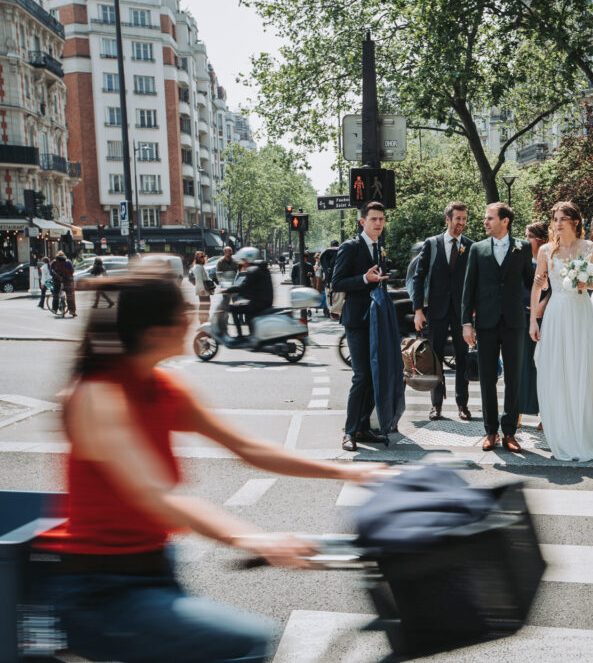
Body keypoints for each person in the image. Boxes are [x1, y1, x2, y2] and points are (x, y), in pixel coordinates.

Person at [32, 268, 387, 663]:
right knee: (246, 640)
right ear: (153, 331)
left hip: (152, 570)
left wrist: (350, 472)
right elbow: (156, 496)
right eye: (182, 311)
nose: (192, 319)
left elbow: (248, 448)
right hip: (100, 591)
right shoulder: (96, 397)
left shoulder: (162, 388)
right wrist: (253, 538)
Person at [529, 202, 593, 462]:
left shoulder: (588, 248)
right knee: (557, 371)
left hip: (580, 313)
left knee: (582, 370)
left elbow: (587, 285)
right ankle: (564, 432)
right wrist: (533, 320)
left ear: (576, 222)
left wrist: (584, 281)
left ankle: (584, 431)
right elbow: (537, 288)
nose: (559, 223)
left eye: (564, 218)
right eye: (555, 219)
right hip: (556, 315)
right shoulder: (545, 251)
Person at [462, 202, 535, 453]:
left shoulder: (523, 248)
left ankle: (510, 432)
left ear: (505, 221)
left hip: (515, 321)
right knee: (487, 379)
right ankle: (490, 431)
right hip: (486, 322)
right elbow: (468, 288)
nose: (485, 222)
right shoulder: (477, 249)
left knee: (514, 377)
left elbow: (531, 283)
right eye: (486, 218)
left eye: (490, 218)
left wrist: (541, 302)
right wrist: (466, 323)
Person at [332, 202, 391, 452]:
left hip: (377, 320)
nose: (378, 223)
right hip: (356, 321)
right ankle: (349, 431)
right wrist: (364, 279)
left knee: (374, 376)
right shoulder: (350, 247)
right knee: (361, 375)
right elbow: (336, 282)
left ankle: (363, 427)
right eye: (373, 219)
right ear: (362, 222)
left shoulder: (380, 248)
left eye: (381, 219)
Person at [412, 201, 474, 421]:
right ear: (448, 219)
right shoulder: (432, 243)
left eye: (465, 219)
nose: (462, 223)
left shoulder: (470, 246)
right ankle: (436, 405)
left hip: (461, 312)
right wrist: (418, 310)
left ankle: (462, 405)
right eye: (458, 219)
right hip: (436, 311)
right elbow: (419, 278)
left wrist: (472, 311)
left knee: (463, 359)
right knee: (435, 359)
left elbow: (473, 281)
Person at [519, 221, 549, 427]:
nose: (525, 240)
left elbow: (555, 287)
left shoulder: (549, 259)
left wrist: (542, 306)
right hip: (522, 316)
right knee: (523, 365)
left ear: (541, 240)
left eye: (529, 236)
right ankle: (519, 413)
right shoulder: (521, 259)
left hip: (546, 316)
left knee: (544, 365)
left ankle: (545, 414)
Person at [225, 247, 273, 338]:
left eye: (243, 260)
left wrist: (228, 290)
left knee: (232, 308)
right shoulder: (261, 268)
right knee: (241, 306)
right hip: (264, 301)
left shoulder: (253, 270)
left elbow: (244, 286)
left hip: (258, 302)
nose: (242, 263)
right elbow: (253, 287)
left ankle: (239, 336)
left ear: (248, 260)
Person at [50, 250, 77, 317]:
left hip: (57, 281)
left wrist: (58, 277)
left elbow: (51, 272)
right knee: (70, 296)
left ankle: (54, 308)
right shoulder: (68, 262)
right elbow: (72, 271)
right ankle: (72, 311)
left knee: (56, 294)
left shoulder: (54, 262)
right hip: (68, 281)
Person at [191, 251, 214, 323]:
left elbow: (206, 277)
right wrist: (202, 290)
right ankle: (202, 320)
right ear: (197, 258)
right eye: (201, 257)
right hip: (202, 289)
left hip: (205, 289)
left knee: (207, 305)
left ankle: (205, 319)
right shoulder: (197, 267)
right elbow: (199, 280)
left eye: (203, 256)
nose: (203, 258)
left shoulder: (201, 266)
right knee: (204, 306)